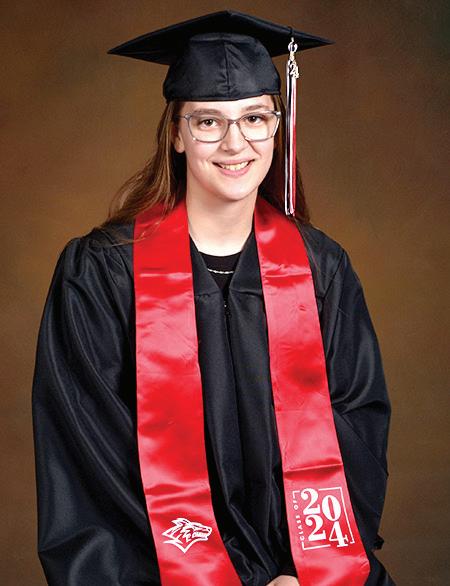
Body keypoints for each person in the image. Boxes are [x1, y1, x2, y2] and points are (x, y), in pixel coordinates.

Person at [32, 10, 394, 586]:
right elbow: (87, 454)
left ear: (277, 126)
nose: (235, 143)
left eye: (254, 118)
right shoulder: (102, 273)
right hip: (157, 568)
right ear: (176, 134)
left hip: (306, 567)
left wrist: (298, 572)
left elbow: (357, 424)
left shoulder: (321, 267)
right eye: (208, 121)